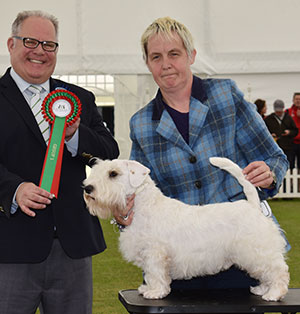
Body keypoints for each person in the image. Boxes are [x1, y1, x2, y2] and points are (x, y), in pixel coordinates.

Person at [117, 17, 289, 292]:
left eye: (174, 54)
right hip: (178, 258)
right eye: (156, 57)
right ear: (147, 63)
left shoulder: (225, 95)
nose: (166, 64)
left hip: (236, 248)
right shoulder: (142, 122)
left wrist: (268, 174)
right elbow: (140, 191)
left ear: (191, 55)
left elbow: (275, 158)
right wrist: (122, 212)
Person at [0, 10, 119, 314]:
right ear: (11, 44)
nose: (40, 51)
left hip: (73, 248)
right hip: (10, 248)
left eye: (49, 44)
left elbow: (109, 151)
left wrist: (75, 136)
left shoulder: (79, 98)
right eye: (30, 41)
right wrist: (13, 189)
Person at [265, 99, 298, 170]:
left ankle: (290, 180)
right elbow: (264, 131)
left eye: (280, 110)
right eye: (277, 111)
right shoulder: (269, 119)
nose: (278, 112)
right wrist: (271, 134)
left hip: (288, 147)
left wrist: (289, 132)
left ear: (283, 108)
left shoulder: (288, 118)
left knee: (289, 166)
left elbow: (295, 131)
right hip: (275, 147)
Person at [286, 93, 300, 170]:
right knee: (290, 164)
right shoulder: (288, 112)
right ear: (293, 100)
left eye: (299, 99)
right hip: (291, 143)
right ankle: (290, 181)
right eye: (296, 99)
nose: (298, 101)